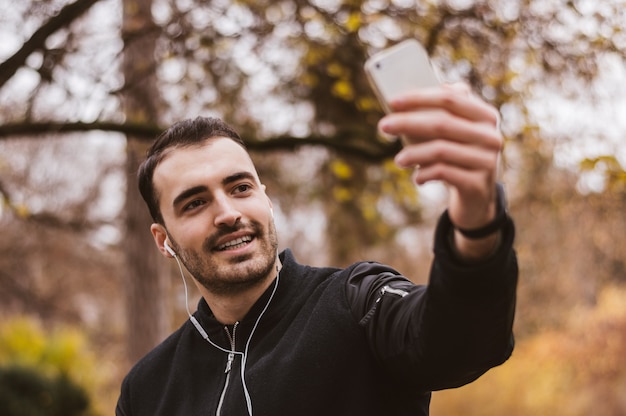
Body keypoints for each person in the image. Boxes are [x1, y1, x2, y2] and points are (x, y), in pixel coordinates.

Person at [116, 83, 518, 416]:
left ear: (266, 200)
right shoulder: (147, 390)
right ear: (163, 239)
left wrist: (478, 220)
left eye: (241, 188)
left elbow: (461, 340)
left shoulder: (357, 301)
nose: (228, 213)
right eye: (195, 203)